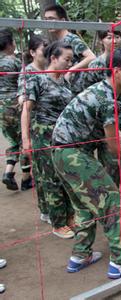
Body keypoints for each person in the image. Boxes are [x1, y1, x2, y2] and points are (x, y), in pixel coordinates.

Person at [51, 48, 121, 278]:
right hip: (73, 154)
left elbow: (116, 134)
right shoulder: (106, 98)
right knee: (112, 202)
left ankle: (80, 255)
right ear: (117, 71)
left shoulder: (104, 92)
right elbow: (112, 145)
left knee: (83, 206)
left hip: (62, 154)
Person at [21, 41, 76, 239]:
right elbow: (26, 111)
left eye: (71, 60)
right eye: (66, 60)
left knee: (67, 177)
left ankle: (70, 216)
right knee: (51, 180)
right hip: (43, 137)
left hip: (64, 137)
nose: (69, 64)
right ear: (53, 58)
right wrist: (26, 140)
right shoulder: (38, 79)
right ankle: (58, 223)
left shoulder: (64, 80)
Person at [83, 30, 121, 216]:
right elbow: (86, 93)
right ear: (101, 41)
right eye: (109, 37)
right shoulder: (95, 66)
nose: (114, 40)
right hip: (101, 125)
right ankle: (114, 206)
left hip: (120, 120)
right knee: (111, 165)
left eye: (117, 36)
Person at [16, 35, 49, 223]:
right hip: (38, 130)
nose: (46, 50)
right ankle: (45, 210)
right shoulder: (28, 72)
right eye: (43, 48)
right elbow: (24, 104)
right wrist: (26, 140)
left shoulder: (50, 70)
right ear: (32, 52)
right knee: (42, 172)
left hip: (52, 130)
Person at [0, 28, 32, 191]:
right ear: (9, 44)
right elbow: (25, 81)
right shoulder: (13, 61)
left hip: (0, 108)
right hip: (14, 105)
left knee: (13, 141)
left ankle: (8, 173)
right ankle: (26, 179)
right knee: (24, 140)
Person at [43, 4, 96, 95]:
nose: (48, 22)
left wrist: (70, 71)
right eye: (46, 19)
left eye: (51, 19)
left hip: (77, 89)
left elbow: (91, 57)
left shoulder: (71, 39)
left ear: (63, 21)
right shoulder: (58, 41)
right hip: (66, 88)